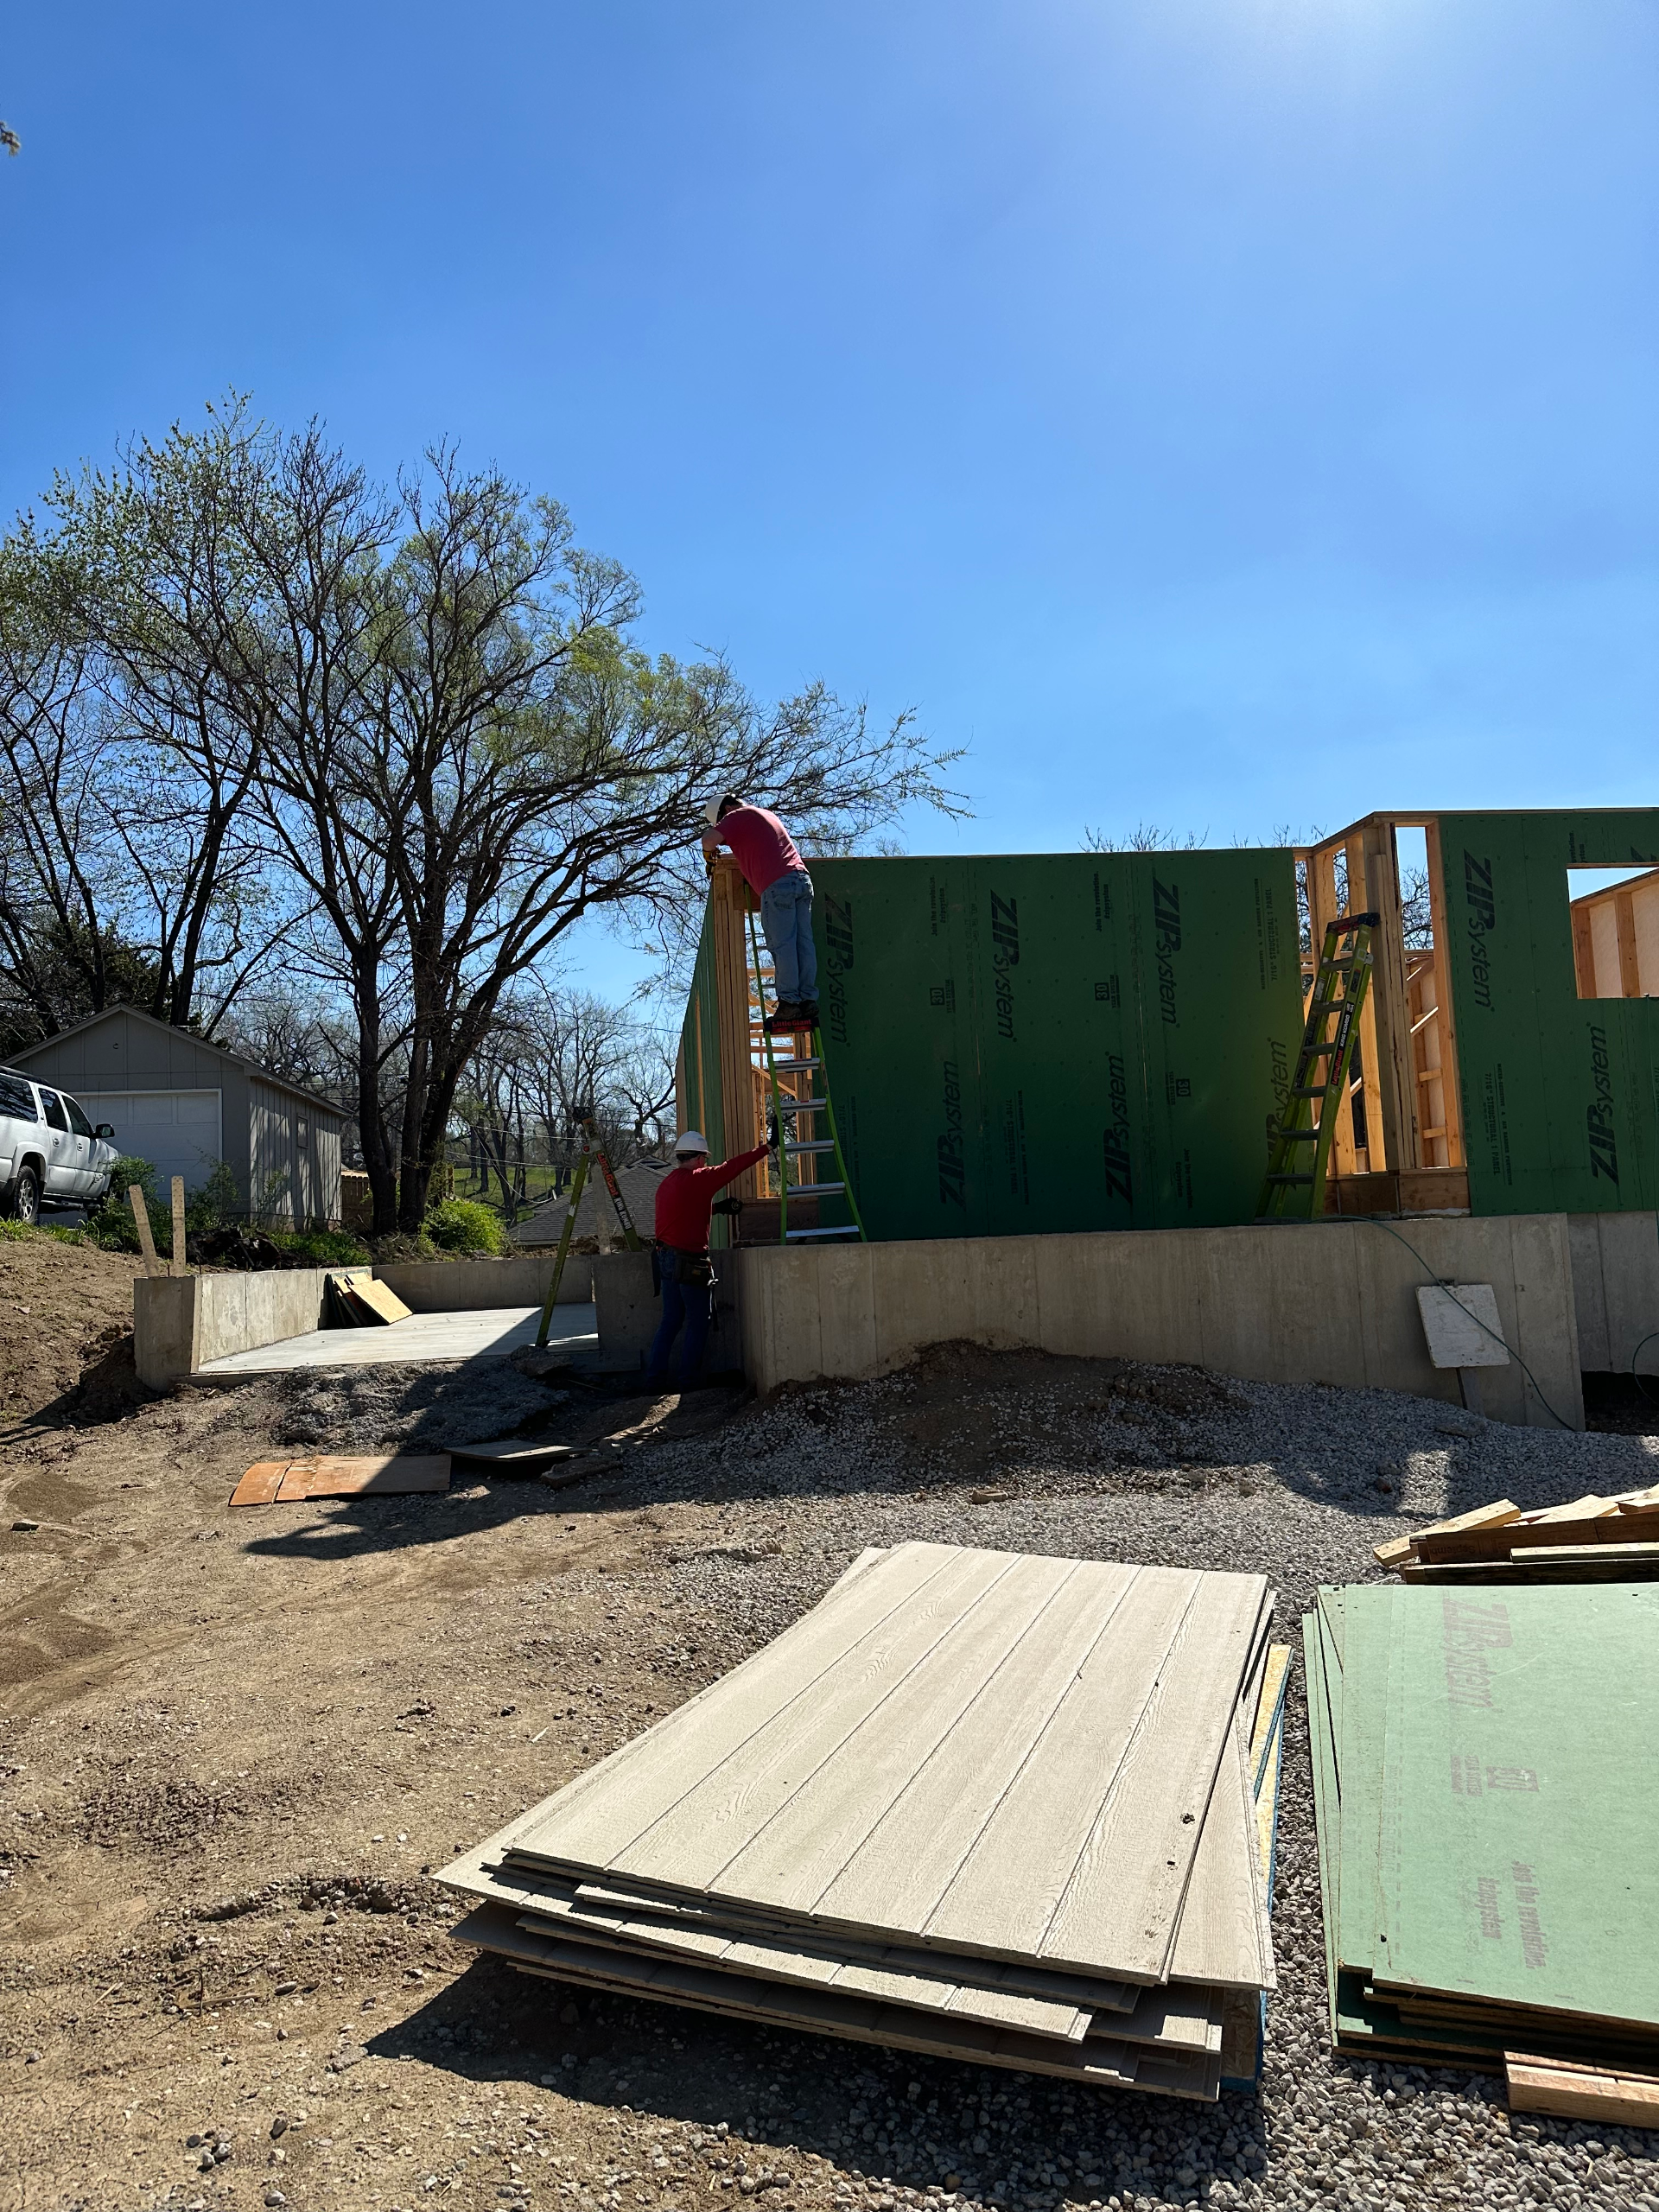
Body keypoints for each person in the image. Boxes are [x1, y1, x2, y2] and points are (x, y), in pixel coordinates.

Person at [645, 1125, 772, 1389]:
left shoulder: (667, 1183)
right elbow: (732, 1167)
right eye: (704, 1159)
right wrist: (767, 1148)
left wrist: (717, 1209)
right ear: (700, 1158)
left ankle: (653, 1381)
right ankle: (688, 1381)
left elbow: (683, 1212)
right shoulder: (700, 1177)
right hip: (688, 1261)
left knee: (671, 1320)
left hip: (664, 1258)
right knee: (699, 1320)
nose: (705, 1163)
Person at [702, 794, 818, 1032]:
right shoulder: (765, 814)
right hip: (801, 881)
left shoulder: (736, 816)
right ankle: (807, 1000)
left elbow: (708, 840)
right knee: (802, 944)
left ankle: (789, 1003)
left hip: (778, 886)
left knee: (782, 945)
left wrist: (708, 850)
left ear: (727, 808)